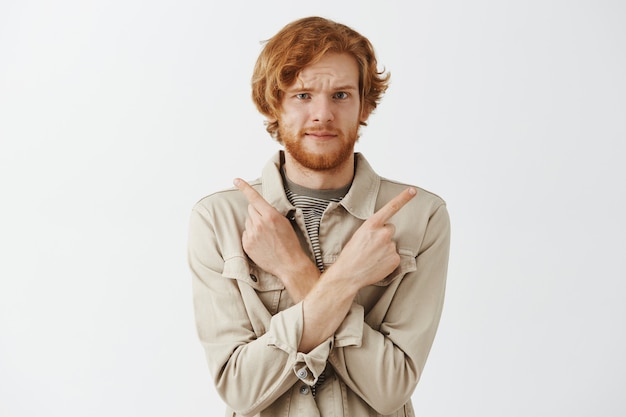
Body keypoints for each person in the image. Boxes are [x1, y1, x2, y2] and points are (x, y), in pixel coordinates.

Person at [188, 16, 450, 417]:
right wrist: (343, 283)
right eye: (303, 95)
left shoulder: (421, 217)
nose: (323, 114)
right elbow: (239, 388)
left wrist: (293, 269)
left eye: (341, 95)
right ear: (273, 103)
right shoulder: (219, 218)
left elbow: (391, 387)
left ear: (364, 105)